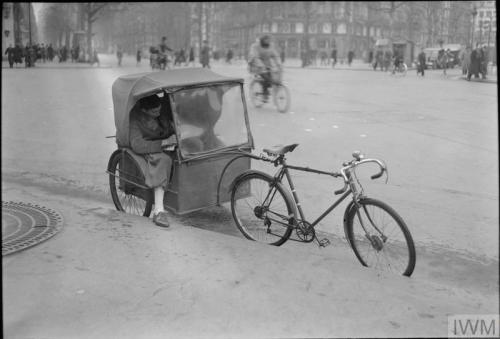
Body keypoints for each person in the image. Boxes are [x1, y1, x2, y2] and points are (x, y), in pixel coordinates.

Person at [129, 94, 176, 227]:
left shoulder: (162, 108)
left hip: (168, 141)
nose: (158, 113)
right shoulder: (134, 118)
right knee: (164, 160)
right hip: (150, 147)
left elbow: (172, 122)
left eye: (159, 109)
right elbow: (137, 144)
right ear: (144, 110)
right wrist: (162, 144)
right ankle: (158, 211)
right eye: (154, 112)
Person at [248, 35, 281, 101]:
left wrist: (278, 63)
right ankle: (264, 94)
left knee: (272, 78)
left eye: (268, 40)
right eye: (266, 40)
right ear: (262, 40)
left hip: (267, 65)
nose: (267, 41)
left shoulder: (271, 46)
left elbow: (275, 55)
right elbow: (255, 57)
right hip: (255, 65)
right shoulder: (255, 46)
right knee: (266, 77)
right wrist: (261, 65)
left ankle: (268, 89)